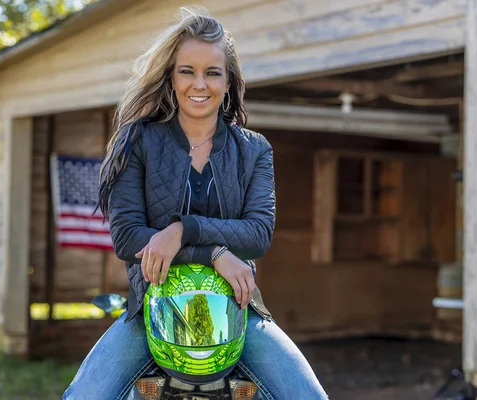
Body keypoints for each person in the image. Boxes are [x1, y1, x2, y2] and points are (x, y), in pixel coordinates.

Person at [63, 7, 328, 400]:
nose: (198, 84)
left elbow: (258, 234)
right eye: (187, 70)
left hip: (236, 311)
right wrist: (214, 252)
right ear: (171, 77)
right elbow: (127, 236)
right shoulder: (137, 142)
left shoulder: (254, 150)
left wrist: (184, 230)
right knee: (85, 396)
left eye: (212, 72)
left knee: (309, 397)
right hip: (152, 309)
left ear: (229, 80)